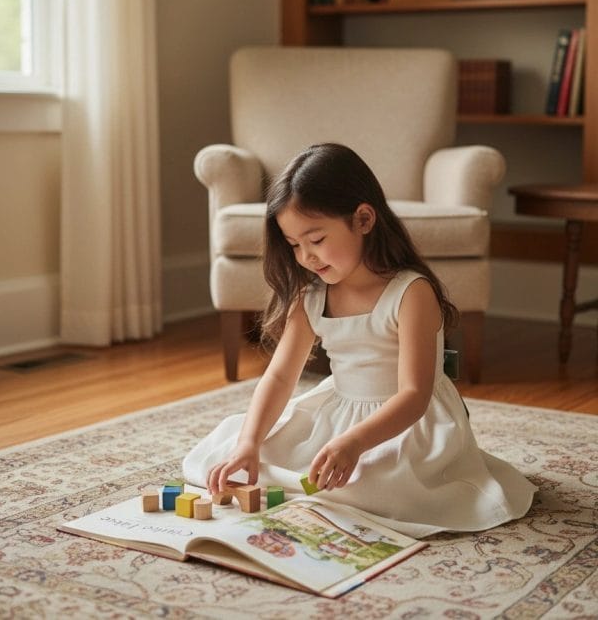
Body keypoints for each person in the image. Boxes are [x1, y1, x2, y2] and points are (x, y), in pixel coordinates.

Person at [183, 143, 536, 537]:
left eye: (316, 240)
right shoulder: (311, 295)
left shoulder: (410, 292)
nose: (306, 257)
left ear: (363, 219)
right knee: (240, 453)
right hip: (341, 409)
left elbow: (414, 396)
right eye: (295, 245)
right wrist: (249, 443)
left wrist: (353, 443)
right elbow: (280, 377)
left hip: (406, 421)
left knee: (376, 488)